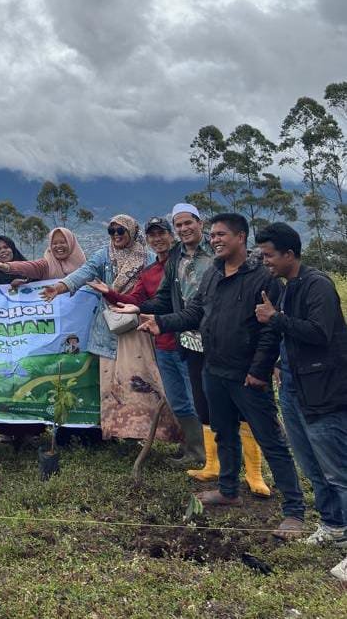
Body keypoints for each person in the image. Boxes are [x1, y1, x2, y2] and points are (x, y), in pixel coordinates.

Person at [139, 213, 305, 539]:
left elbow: (271, 332)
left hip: (246, 376)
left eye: (221, 234)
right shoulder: (214, 273)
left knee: (270, 440)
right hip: (213, 369)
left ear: (240, 237)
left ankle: (295, 512)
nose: (214, 240)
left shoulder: (263, 277)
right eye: (212, 235)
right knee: (223, 432)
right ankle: (228, 489)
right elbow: (195, 312)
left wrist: (258, 371)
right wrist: (163, 322)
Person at [116, 202, 270, 494]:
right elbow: (164, 298)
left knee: (242, 406)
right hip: (189, 340)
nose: (184, 229)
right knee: (205, 405)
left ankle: (254, 473)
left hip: (227, 341)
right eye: (179, 225)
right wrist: (137, 306)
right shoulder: (175, 259)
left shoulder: (217, 255)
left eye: (189, 223)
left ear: (201, 224)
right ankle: (212, 464)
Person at [254, 223, 347, 578]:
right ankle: (333, 526)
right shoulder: (288, 288)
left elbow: (320, 333)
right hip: (294, 386)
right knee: (311, 465)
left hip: (323, 390)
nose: (265, 262)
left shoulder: (317, 285)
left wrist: (275, 319)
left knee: (338, 470)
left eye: (269, 255)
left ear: (290, 254)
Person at [41, 215, 178, 442]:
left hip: (138, 328)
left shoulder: (149, 259)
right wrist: (60, 287)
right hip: (108, 329)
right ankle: (115, 431)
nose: (116, 236)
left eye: (120, 231)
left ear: (132, 233)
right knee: (110, 383)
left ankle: (143, 432)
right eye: (112, 231)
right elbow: (84, 272)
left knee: (140, 380)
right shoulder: (103, 256)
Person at [88, 217, 203, 466]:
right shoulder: (150, 271)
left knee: (197, 397)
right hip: (163, 344)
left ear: (171, 236)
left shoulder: (184, 264)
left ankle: (211, 453)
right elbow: (136, 299)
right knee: (177, 399)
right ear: (147, 239)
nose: (158, 239)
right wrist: (109, 293)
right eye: (153, 235)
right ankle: (193, 450)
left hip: (189, 342)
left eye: (162, 233)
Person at [0, 227, 87, 286]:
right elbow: (31, 267)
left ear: (71, 243)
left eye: (62, 242)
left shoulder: (85, 266)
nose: (58, 246)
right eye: (54, 243)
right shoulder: (47, 265)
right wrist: (7, 267)